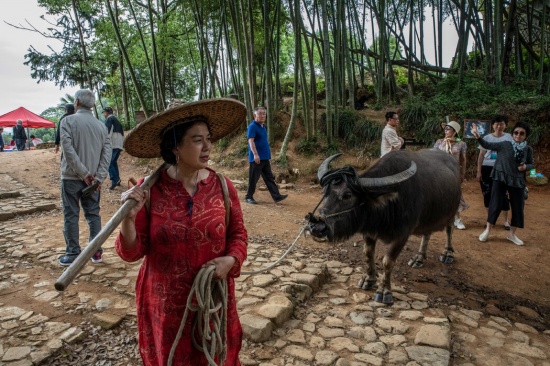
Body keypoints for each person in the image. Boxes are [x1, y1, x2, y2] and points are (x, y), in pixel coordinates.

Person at [116, 98, 248, 365]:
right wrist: (127, 220)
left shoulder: (223, 186)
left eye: (208, 138)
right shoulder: (148, 190)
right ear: (175, 145)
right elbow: (132, 252)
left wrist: (231, 259)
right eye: (197, 140)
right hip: (166, 306)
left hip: (212, 299)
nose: (208, 146)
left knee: (216, 355)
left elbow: (238, 234)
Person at [58, 89, 112, 266]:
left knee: (71, 215)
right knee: (93, 214)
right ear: (93, 105)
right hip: (93, 181)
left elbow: (68, 150)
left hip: (71, 177)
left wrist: (83, 173)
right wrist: (98, 177)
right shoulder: (101, 126)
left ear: (76, 103)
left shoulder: (67, 121)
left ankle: (73, 253)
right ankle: (96, 252)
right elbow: (107, 154)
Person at [472, 121, 534, 245]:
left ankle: (512, 235)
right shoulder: (505, 144)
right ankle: (488, 231)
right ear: (512, 134)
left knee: (518, 207)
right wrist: (478, 136)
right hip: (500, 177)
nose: (518, 135)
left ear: (525, 136)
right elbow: (487, 144)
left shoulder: (528, 149)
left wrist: (525, 167)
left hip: (517, 180)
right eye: (516, 132)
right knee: (495, 203)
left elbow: (531, 164)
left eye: (522, 133)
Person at [476, 115, 513, 230]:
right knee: (487, 193)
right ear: (492, 125)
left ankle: (506, 221)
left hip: (503, 169)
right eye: (497, 124)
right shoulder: (486, 138)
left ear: (505, 125)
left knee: (504, 194)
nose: (499, 126)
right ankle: (489, 220)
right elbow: (481, 155)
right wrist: (479, 171)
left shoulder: (510, 138)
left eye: (502, 124)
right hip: (487, 168)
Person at [245, 106, 288, 204]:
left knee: (269, 178)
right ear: (255, 115)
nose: (262, 115)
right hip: (256, 158)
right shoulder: (252, 126)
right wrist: (255, 155)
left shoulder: (263, 126)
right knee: (253, 179)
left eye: (264, 113)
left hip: (264, 157)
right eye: (260, 113)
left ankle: (276, 196)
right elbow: (251, 141)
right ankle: (248, 197)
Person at [433, 121, 469, 229]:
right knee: (441, 195)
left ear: (454, 131)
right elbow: (433, 157)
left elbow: (463, 160)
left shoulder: (461, 143)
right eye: (445, 128)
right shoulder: (439, 142)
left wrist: (462, 174)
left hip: (454, 172)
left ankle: (457, 219)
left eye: (449, 128)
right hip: (440, 173)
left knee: (455, 195)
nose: (446, 130)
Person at [102, 106, 124, 190]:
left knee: (109, 162)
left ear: (106, 113)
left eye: (104, 112)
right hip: (119, 144)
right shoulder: (116, 120)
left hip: (113, 144)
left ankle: (114, 180)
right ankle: (117, 179)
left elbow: (108, 131)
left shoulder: (109, 119)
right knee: (113, 162)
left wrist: (104, 142)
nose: (104, 114)